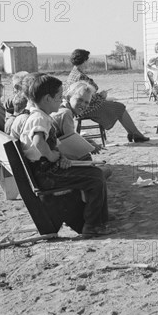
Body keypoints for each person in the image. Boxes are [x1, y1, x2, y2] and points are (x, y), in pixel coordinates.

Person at [18, 73, 110, 237]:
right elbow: (38, 141)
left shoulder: (39, 116)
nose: (62, 101)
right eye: (59, 97)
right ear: (47, 99)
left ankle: (100, 220)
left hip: (45, 170)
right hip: (46, 173)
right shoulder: (39, 118)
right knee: (95, 178)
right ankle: (92, 224)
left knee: (95, 173)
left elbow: (47, 144)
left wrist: (61, 157)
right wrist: (53, 156)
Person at [66, 49, 149, 143]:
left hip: (79, 106)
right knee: (119, 107)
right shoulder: (80, 76)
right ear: (84, 60)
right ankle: (135, 133)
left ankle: (133, 133)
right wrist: (102, 96)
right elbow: (86, 97)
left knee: (115, 105)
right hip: (86, 107)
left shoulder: (73, 73)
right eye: (87, 60)